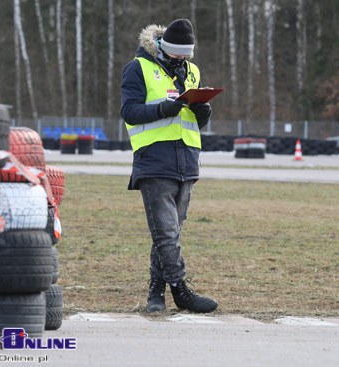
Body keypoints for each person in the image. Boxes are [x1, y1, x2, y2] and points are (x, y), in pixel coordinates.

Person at [120, 19, 218, 313]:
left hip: (187, 160)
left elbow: (194, 121)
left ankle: (155, 292)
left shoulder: (193, 71)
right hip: (154, 160)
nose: (182, 59)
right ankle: (181, 290)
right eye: (176, 54)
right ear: (162, 47)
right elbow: (129, 111)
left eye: (186, 54)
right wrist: (163, 108)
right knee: (165, 233)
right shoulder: (137, 68)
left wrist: (204, 111)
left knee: (169, 234)